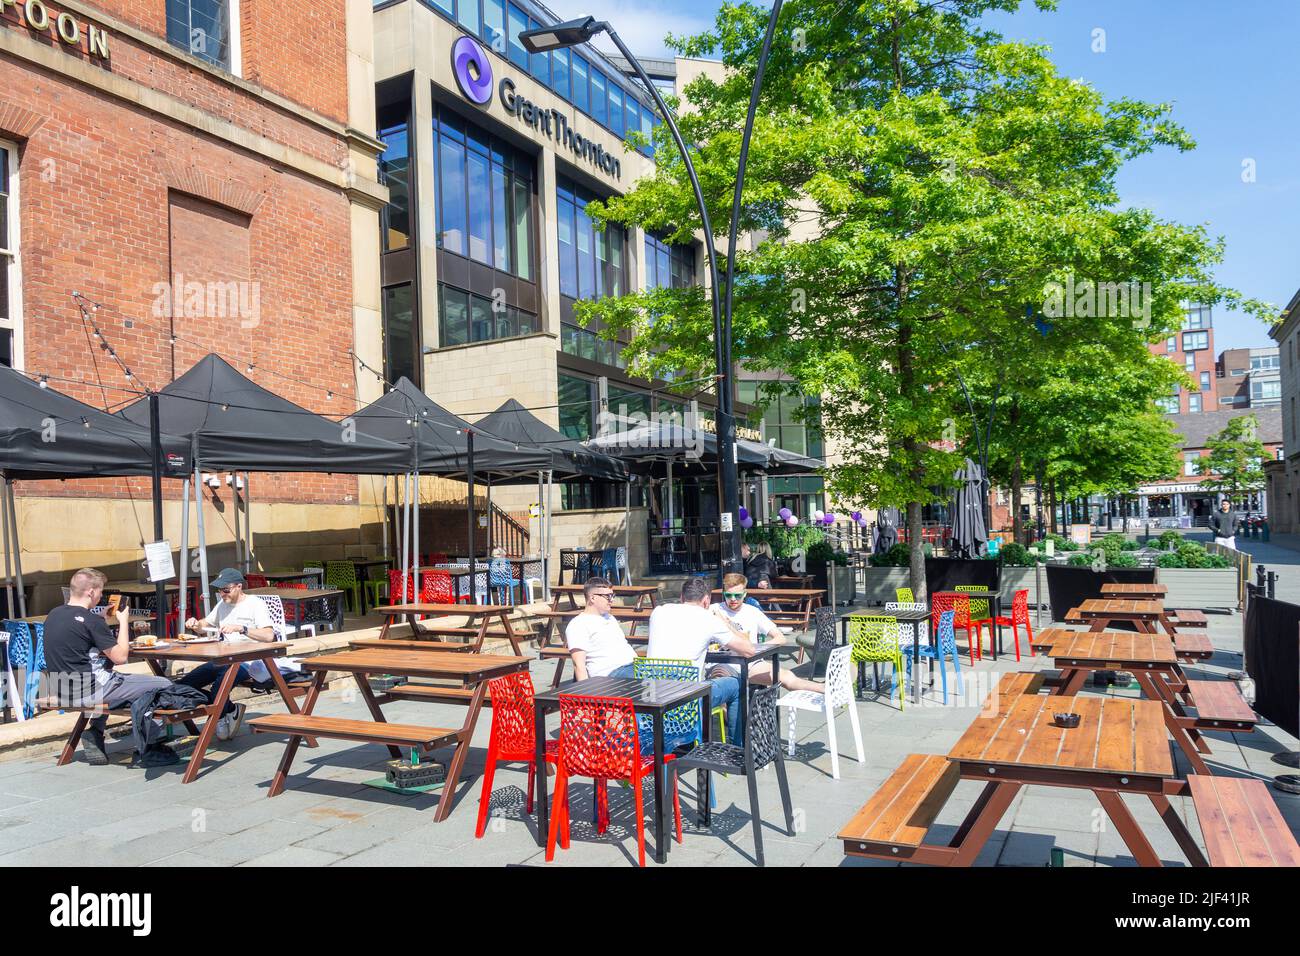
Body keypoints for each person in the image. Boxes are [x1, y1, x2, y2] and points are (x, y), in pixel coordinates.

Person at [40, 568, 177, 767]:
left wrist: (100, 620)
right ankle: (149, 747)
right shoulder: (91, 621)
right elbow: (121, 657)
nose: (101, 596)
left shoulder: (54, 614)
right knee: (162, 683)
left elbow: (80, 638)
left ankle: (95, 731)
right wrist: (123, 621)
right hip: (91, 690)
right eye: (101, 592)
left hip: (61, 689)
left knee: (125, 685)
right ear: (91, 592)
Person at [180, 567, 281, 740]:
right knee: (184, 685)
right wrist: (196, 624)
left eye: (225, 590)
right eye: (219, 590)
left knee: (219, 688)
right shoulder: (222, 604)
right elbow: (206, 625)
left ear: (238, 586)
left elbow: (269, 635)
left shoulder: (255, 604)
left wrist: (242, 629)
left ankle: (219, 715)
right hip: (223, 657)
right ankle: (230, 709)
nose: (222, 594)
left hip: (249, 660)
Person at [647, 577, 742, 743]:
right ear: (706, 601)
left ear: (682, 597)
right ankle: (737, 750)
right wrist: (724, 622)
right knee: (736, 684)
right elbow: (747, 649)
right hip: (687, 703)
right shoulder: (710, 620)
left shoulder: (658, 611)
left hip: (653, 696)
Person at [711, 572, 825, 699]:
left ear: (745, 594)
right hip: (721, 664)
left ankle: (825, 689)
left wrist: (757, 648)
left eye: (737, 595)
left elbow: (780, 638)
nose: (733, 599)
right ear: (724, 594)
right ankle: (734, 719)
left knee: (786, 676)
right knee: (724, 686)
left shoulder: (752, 612)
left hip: (750, 664)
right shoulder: (714, 610)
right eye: (728, 595)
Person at [564, 576, 636, 680]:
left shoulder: (610, 618)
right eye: (608, 596)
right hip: (611, 674)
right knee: (654, 681)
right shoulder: (578, 624)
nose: (612, 600)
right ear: (592, 598)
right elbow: (579, 665)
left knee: (666, 673)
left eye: (612, 595)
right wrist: (586, 694)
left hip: (634, 666)